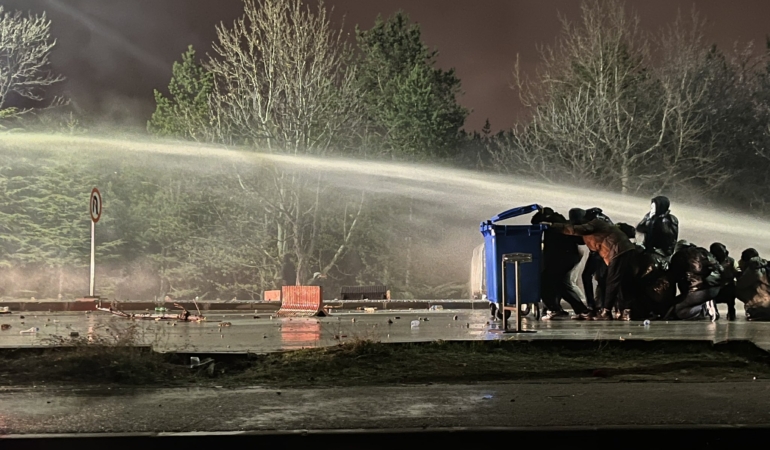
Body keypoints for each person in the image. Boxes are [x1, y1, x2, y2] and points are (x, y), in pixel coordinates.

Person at [543, 208, 637, 321]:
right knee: (619, 281)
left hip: (617, 251)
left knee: (613, 281)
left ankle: (607, 312)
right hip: (619, 250)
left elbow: (579, 230)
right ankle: (623, 311)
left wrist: (553, 226)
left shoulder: (593, 224)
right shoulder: (592, 226)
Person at [532, 207, 591, 320]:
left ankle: (564, 309)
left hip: (560, 259)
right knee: (558, 283)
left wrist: (542, 213)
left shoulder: (555, 225)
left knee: (552, 283)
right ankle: (559, 308)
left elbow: (534, 221)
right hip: (568, 258)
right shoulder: (563, 223)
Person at [667, 240, 722, 321]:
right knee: (678, 307)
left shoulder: (679, 259)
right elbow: (719, 271)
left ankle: (704, 308)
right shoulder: (703, 254)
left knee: (679, 310)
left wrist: (700, 283)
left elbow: (674, 277)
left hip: (703, 291)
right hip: (712, 289)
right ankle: (707, 307)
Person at [570, 208, 612, 312]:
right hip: (604, 251)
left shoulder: (589, 223)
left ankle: (596, 306)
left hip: (600, 252)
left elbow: (582, 241)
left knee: (594, 277)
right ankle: (599, 305)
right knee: (600, 278)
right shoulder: (601, 218)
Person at [736, 250, 770, 321]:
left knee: (734, 288)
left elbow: (741, 285)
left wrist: (738, 275)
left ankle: (756, 310)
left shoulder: (753, 269)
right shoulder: (766, 265)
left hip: (764, 304)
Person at [710, 243, 738, 321]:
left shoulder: (731, 261)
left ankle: (730, 310)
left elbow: (737, 272)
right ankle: (715, 311)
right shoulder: (710, 261)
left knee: (732, 288)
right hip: (716, 288)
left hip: (726, 287)